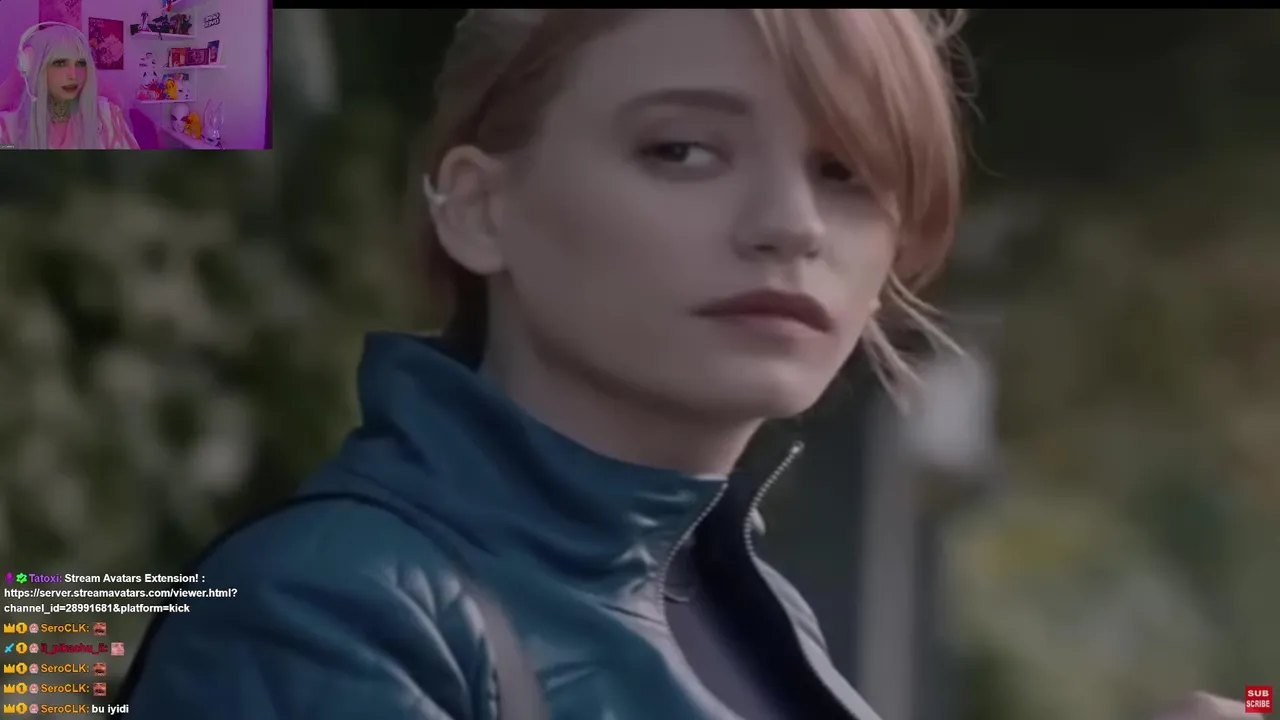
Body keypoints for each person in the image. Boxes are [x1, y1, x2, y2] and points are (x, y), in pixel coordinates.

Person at [123, 9, 964, 719]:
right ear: (479, 209)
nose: (793, 224)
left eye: (845, 171)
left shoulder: (760, 616)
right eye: (681, 151)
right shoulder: (330, 611)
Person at [0, 22, 139, 149]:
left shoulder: (108, 117)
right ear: (36, 69)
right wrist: (14, 83)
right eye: (60, 63)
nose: (73, 74)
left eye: (80, 63)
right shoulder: (7, 129)